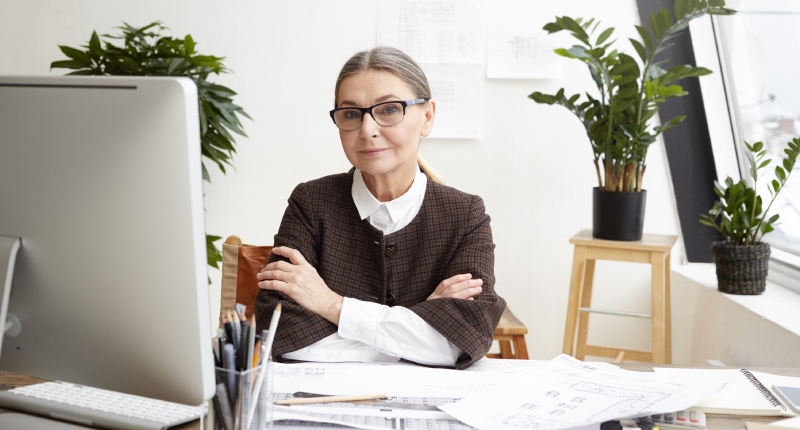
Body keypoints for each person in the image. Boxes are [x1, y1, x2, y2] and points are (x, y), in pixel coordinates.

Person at [254, 46, 505, 369]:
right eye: (351, 114)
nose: (368, 129)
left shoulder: (465, 214)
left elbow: (465, 340)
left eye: (389, 110)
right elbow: (280, 333)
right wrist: (414, 328)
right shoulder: (311, 203)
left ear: (427, 116)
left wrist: (331, 305)